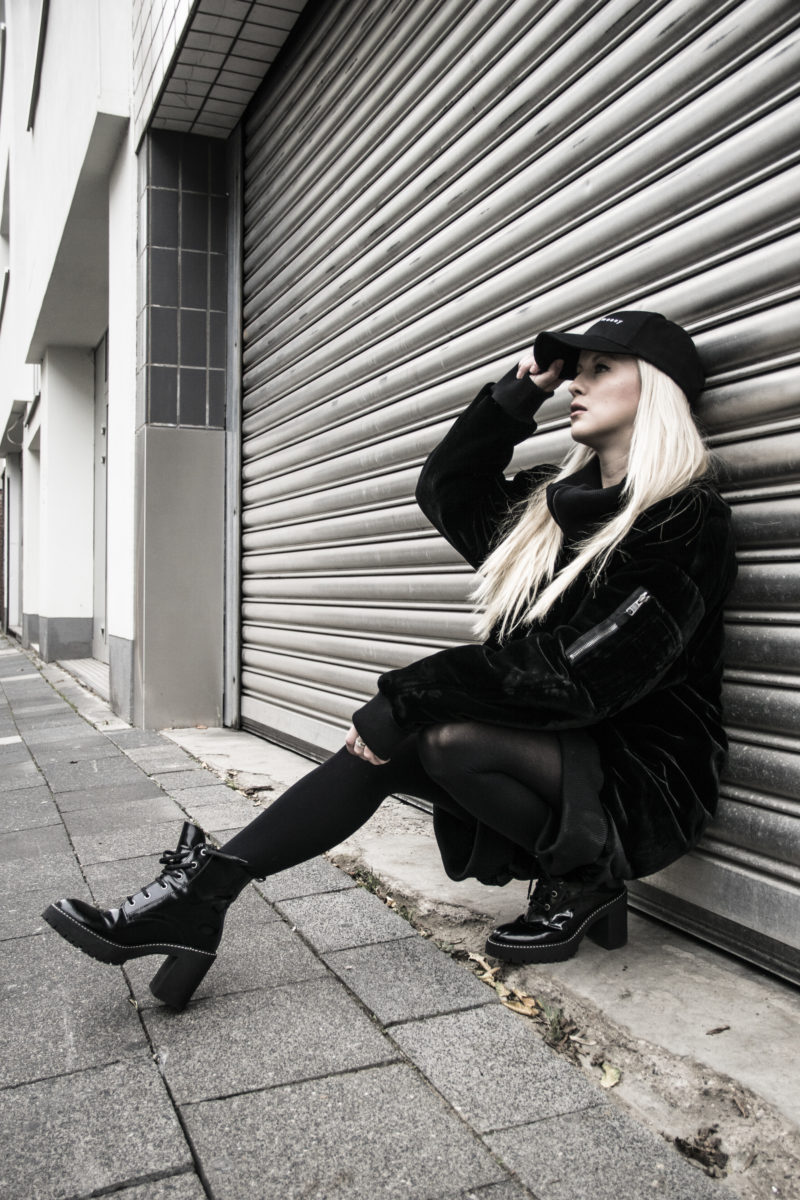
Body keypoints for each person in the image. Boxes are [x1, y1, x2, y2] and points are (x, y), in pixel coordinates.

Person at [43, 310, 737, 1011]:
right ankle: (203, 898)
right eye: (573, 371)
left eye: (599, 369)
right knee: (398, 746)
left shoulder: (683, 520)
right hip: (561, 744)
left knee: (441, 734)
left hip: (642, 775)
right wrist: (519, 391)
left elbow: (579, 674)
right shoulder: (551, 507)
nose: (575, 385)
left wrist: (408, 694)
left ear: (656, 389)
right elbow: (447, 489)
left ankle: (585, 877)